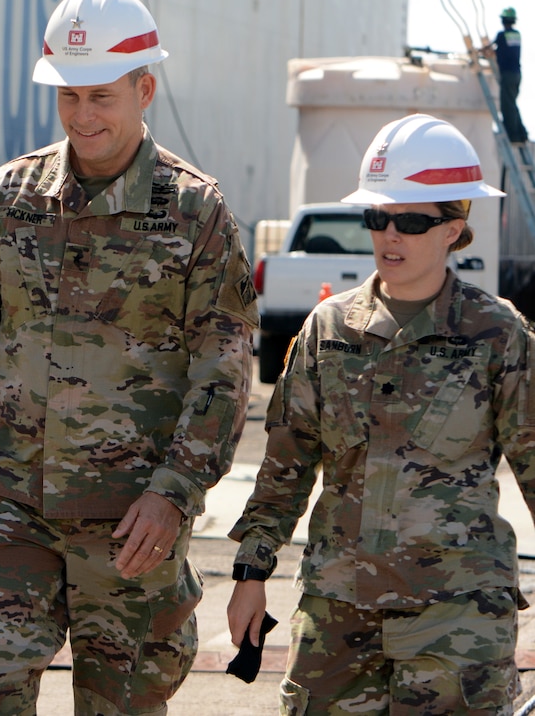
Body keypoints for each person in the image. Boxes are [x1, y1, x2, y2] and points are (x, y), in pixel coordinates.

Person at [0, 0, 258, 715]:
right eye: (67, 95)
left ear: (144, 88)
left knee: (119, 704)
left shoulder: (194, 211)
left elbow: (222, 371)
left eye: (101, 96)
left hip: (131, 517)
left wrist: (173, 494)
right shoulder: (7, 197)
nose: (81, 116)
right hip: (11, 502)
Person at [227, 113, 535, 715]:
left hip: (456, 623)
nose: (389, 235)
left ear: (454, 228)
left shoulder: (498, 334)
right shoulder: (330, 328)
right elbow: (285, 469)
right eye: (377, 217)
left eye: (412, 221)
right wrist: (250, 573)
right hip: (337, 620)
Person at [493, 7, 528, 143]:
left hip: (507, 74)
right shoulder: (517, 34)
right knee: (512, 104)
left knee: (507, 106)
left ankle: (513, 135)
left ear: (503, 20)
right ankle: (522, 133)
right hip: (517, 74)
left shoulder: (502, 35)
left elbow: (491, 49)